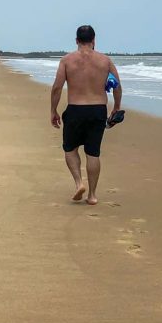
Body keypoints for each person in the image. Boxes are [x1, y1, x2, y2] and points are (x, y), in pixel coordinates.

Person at [50, 25, 122, 206]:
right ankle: (92, 195)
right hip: (98, 110)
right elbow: (117, 86)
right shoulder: (105, 61)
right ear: (94, 40)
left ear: (76, 41)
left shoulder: (67, 60)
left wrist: (53, 110)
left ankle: (78, 183)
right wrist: (116, 108)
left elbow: (57, 87)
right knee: (93, 153)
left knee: (70, 149)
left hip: (75, 109)